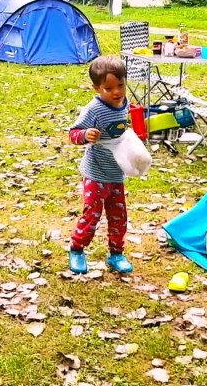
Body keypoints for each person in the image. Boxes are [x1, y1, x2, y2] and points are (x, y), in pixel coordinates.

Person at [67, 55, 133, 275]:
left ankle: (116, 254)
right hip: (96, 173)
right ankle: (77, 248)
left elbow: (125, 129)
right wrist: (85, 134)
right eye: (109, 88)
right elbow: (73, 134)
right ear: (97, 88)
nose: (116, 92)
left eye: (120, 85)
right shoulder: (94, 109)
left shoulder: (124, 102)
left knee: (118, 216)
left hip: (116, 172)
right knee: (92, 214)